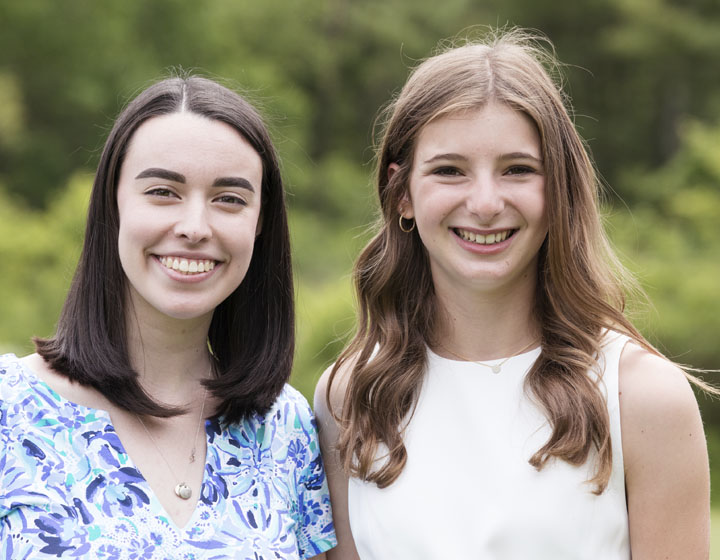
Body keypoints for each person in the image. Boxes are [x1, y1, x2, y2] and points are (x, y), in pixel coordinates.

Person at [315, 29, 710, 559]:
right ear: (401, 192)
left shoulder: (642, 398)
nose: (484, 202)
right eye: (449, 170)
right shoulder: (350, 396)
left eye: (518, 170)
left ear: (559, 189)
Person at [0, 76, 336, 559]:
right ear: (112, 205)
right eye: (163, 191)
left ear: (260, 224)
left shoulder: (286, 427)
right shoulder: (11, 413)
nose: (195, 228)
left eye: (230, 199)